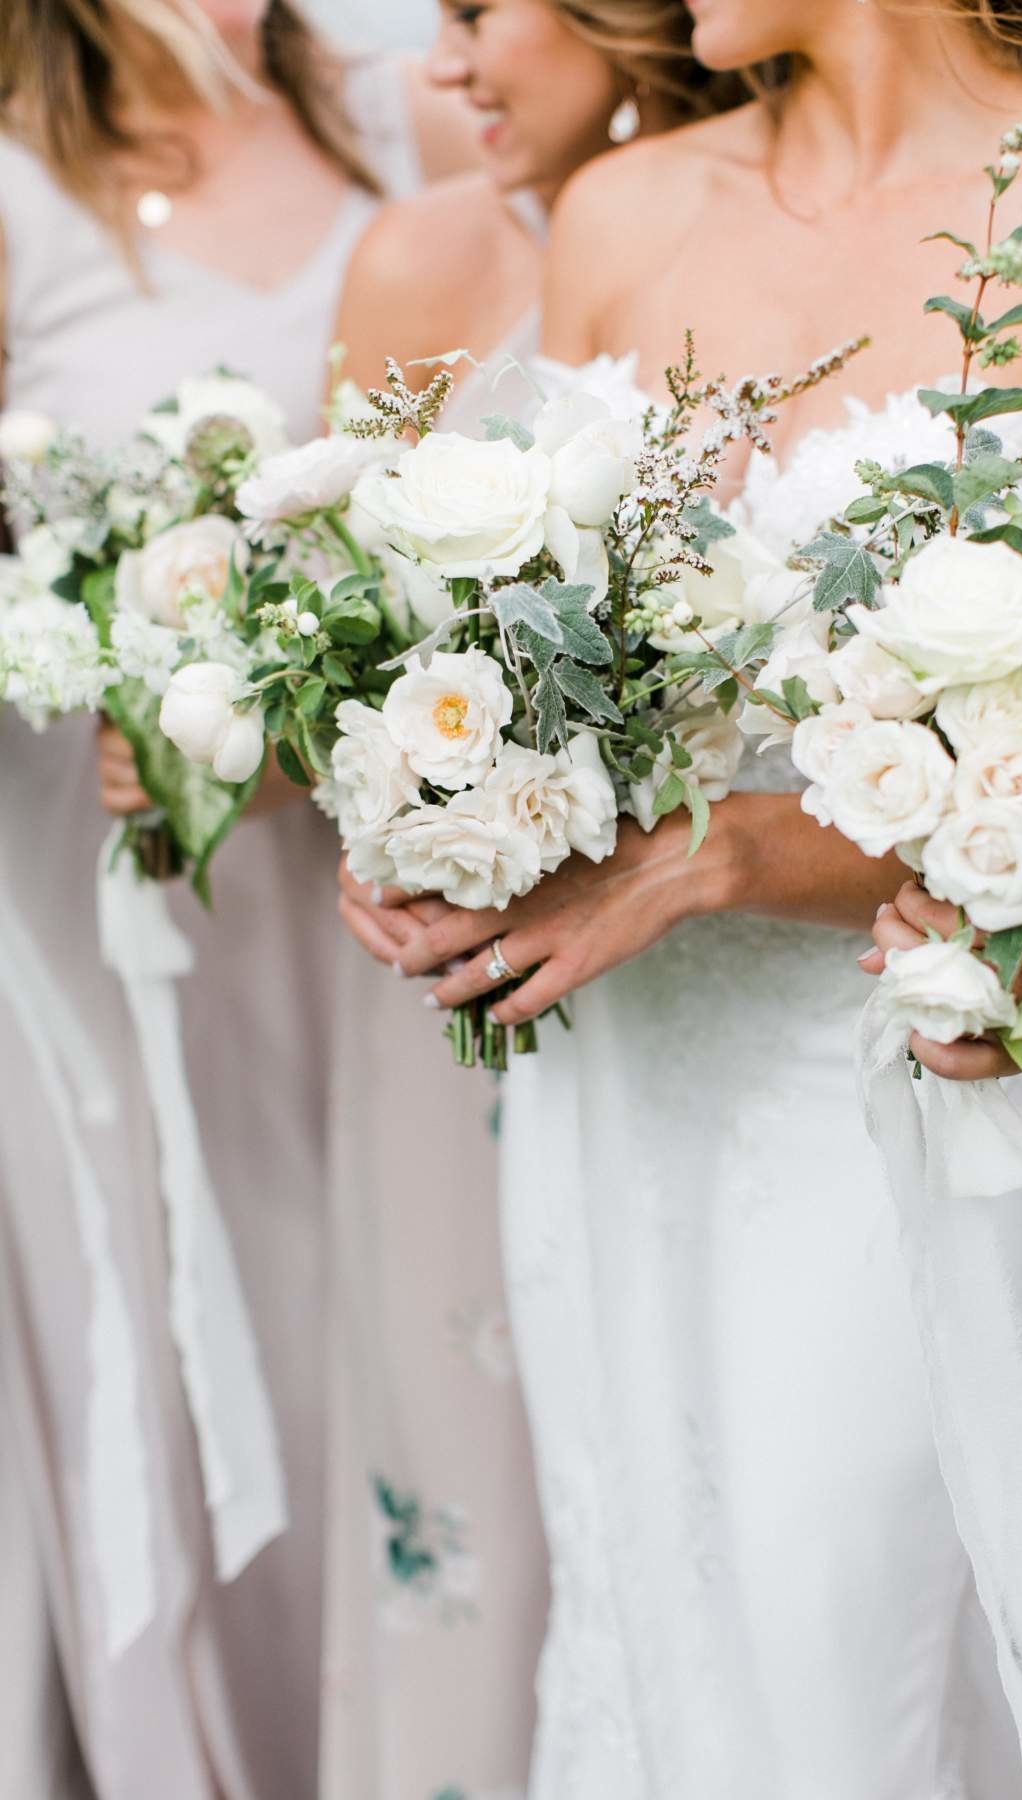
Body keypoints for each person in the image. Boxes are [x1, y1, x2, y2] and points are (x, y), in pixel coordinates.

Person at [339, 0, 1022, 1794]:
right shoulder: (620, 214)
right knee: (646, 1603)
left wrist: (709, 857)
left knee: (838, 1637)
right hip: (620, 1070)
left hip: (899, 1077)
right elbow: (528, 673)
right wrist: (449, 825)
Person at [0, 4, 473, 1795]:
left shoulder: (399, 114)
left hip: (348, 856)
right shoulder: (22, 184)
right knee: (163, 1277)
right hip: (96, 873)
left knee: (362, 1295)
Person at [322, 8, 743, 1796]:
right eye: (431, 26)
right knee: (472, 1450)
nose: (455, 69)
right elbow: (328, 652)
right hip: (461, 965)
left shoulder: (744, 239)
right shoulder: (430, 256)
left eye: (490, 13)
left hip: (721, 967)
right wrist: (386, 812)